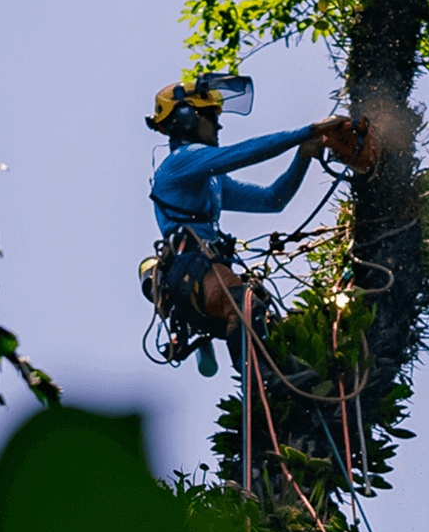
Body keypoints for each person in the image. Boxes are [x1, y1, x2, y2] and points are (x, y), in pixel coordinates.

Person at [144, 73, 346, 375]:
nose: (219, 125)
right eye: (212, 116)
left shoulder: (212, 181)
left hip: (205, 273)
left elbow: (272, 200)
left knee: (262, 316)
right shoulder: (179, 162)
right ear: (186, 118)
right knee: (243, 303)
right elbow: (242, 154)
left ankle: (283, 377)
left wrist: (303, 155)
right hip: (191, 271)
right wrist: (307, 131)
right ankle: (259, 377)